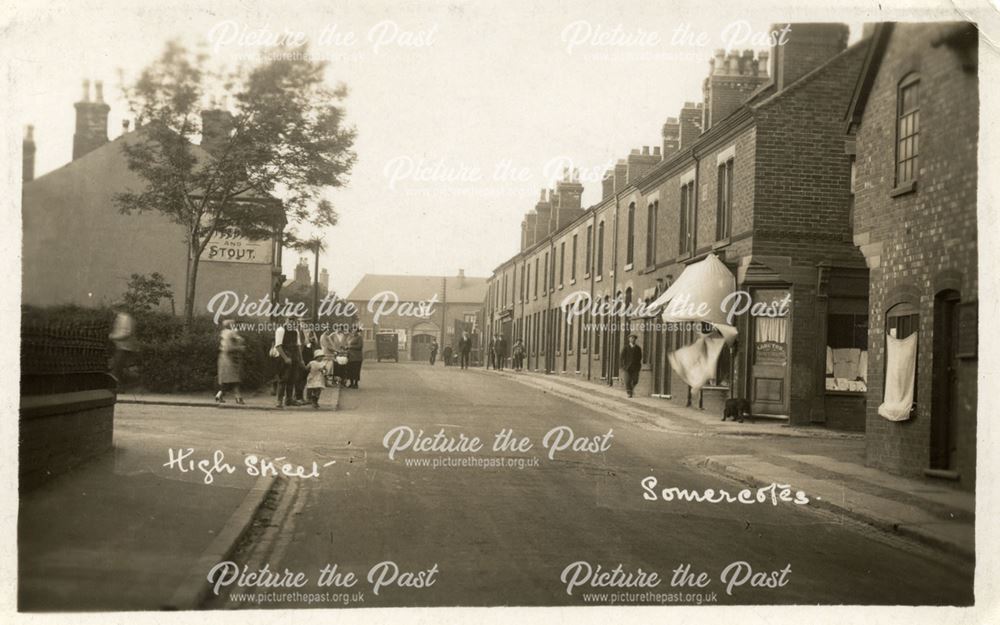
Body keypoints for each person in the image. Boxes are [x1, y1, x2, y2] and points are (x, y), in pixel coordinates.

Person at [274, 316, 304, 408]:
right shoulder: (280, 330)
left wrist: (301, 359)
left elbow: (298, 346)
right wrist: (285, 358)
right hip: (285, 356)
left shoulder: (296, 331)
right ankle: (279, 401)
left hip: (294, 357)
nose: (292, 322)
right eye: (290, 320)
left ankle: (289, 399)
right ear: (286, 320)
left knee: (292, 378)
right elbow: (278, 346)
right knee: (283, 379)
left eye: (294, 320)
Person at [215, 320, 245, 404]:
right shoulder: (230, 334)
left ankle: (219, 395)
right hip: (230, 359)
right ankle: (238, 397)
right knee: (234, 379)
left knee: (227, 379)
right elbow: (229, 347)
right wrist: (240, 348)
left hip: (224, 358)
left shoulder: (223, 333)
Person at [108, 307, 138, 387]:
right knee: (118, 368)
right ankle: (118, 387)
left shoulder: (124, 318)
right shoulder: (123, 317)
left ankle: (116, 388)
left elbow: (126, 333)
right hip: (120, 347)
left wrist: (112, 337)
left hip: (124, 347)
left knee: (116, 369)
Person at [620, 333, 643, 398]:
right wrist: (623, 366)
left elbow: (640, 358)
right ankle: (629, 393)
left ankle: (631, 389)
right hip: (627, 367)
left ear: (635, 339)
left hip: (635, 367)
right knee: (627, 380)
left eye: (634, 338)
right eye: (631, 338)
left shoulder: (638, 348)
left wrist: (639, 366)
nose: (632, 339)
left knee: (635, 380)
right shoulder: (626, 347)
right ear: (629, 339)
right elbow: (622, 357)